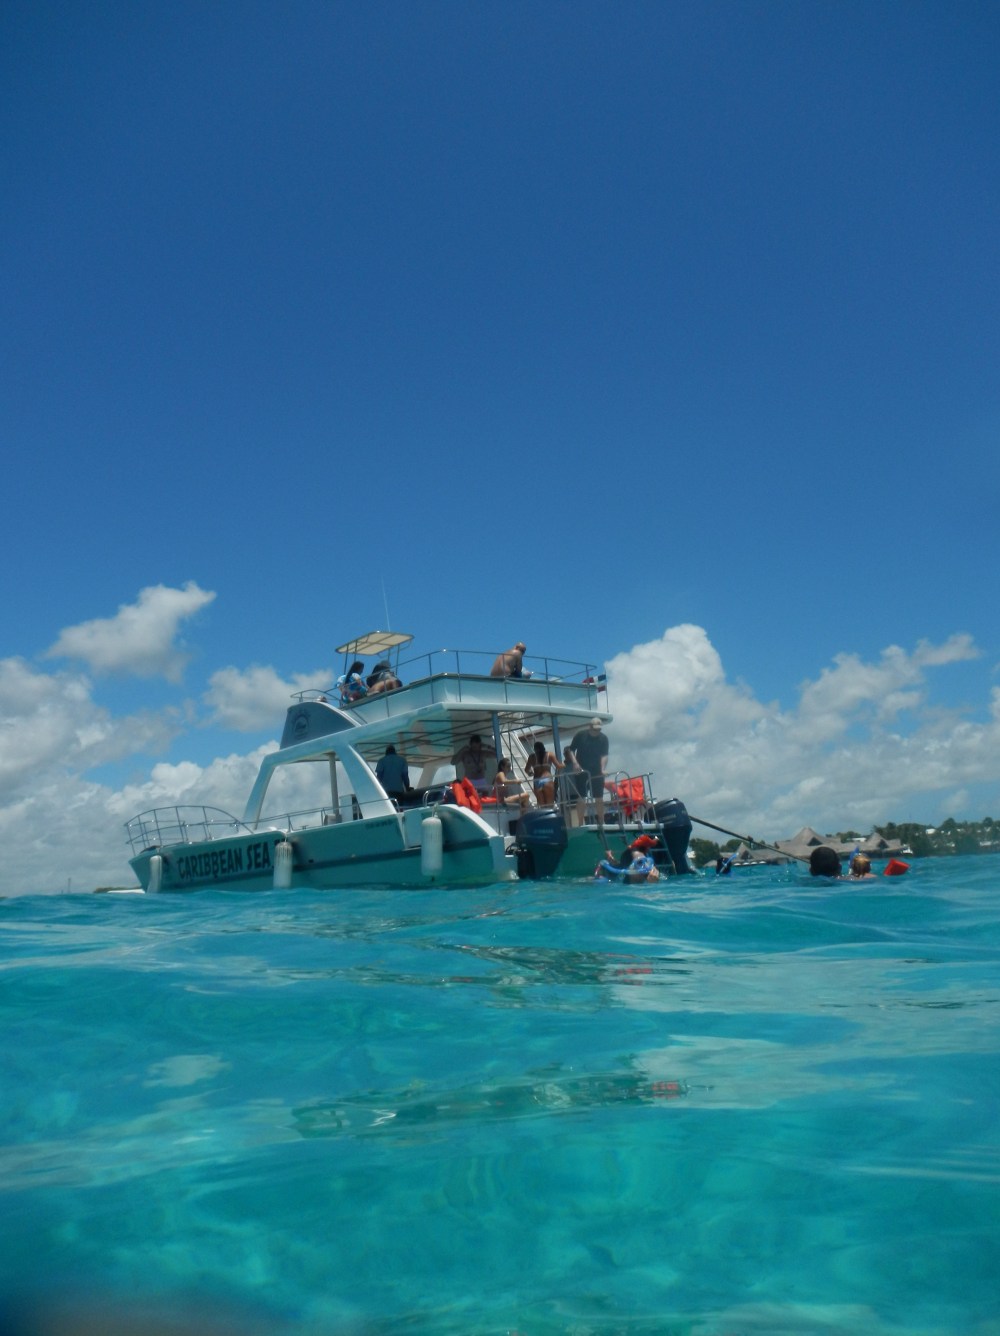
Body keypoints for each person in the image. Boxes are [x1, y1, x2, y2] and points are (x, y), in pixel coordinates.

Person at [566, 718, 610, 827]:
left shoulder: (604, 739)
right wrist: (575, 763)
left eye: (599, 729)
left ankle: (602, 821)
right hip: (581, 769)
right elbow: (571, 750)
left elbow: (604, 755)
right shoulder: (580, 735)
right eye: (595, 729)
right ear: (590, 727)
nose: (597, 731)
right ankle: (581, 823)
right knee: (581, 797)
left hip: (597, 770)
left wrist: (603, 768)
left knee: (599, 797)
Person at [524, 740, 562, 806]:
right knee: (550, 804)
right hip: (547, 779)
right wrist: (566, 763)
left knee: (542, 806)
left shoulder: (532, 757)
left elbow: (527, 769)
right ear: (543, 748)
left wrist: (530, 773)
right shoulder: (549, 754)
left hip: (537, 780)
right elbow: (558, 766)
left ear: (535, 749)